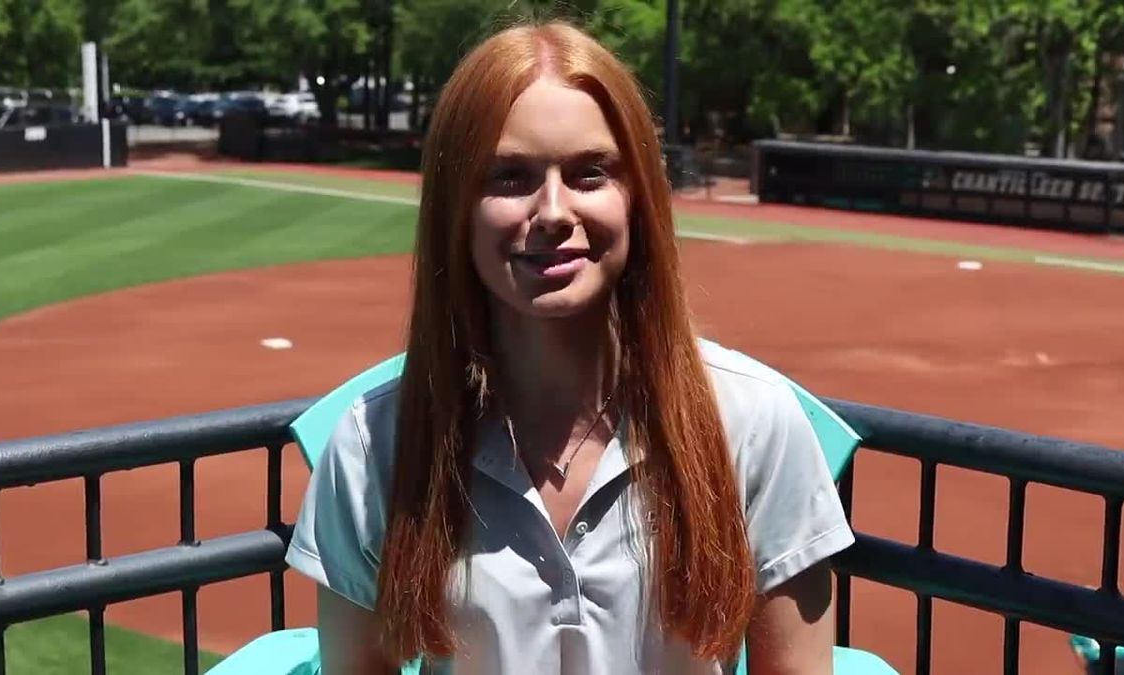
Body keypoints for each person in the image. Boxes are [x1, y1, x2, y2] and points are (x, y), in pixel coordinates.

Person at [285, 21, 854, 674]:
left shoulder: (756, 421)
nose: (553, 210)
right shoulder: (373, 441)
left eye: (590, 173)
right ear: (455, 208)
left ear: (637, 198)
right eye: (508, 176)